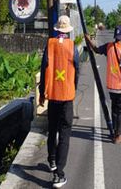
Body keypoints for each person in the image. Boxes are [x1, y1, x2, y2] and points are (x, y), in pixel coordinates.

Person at [84, 24, 121, 144]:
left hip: (112, 87)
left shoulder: (108, 47)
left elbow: (96, 49)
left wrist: (88, 40)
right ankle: (118, 136)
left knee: (114, 110)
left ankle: (114, 131)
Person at [39, 15, 79, 188]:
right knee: (64, 134)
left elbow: (43, 68)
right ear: (68, 31)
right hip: (67, 97)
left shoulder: (49, 45)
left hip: (53, 95)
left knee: (52, 129)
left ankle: (52, 161)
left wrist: (42, 93)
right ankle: (59, 174)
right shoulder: (73, 47)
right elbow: (76, 71)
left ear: (57, 29)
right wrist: (72, 88)